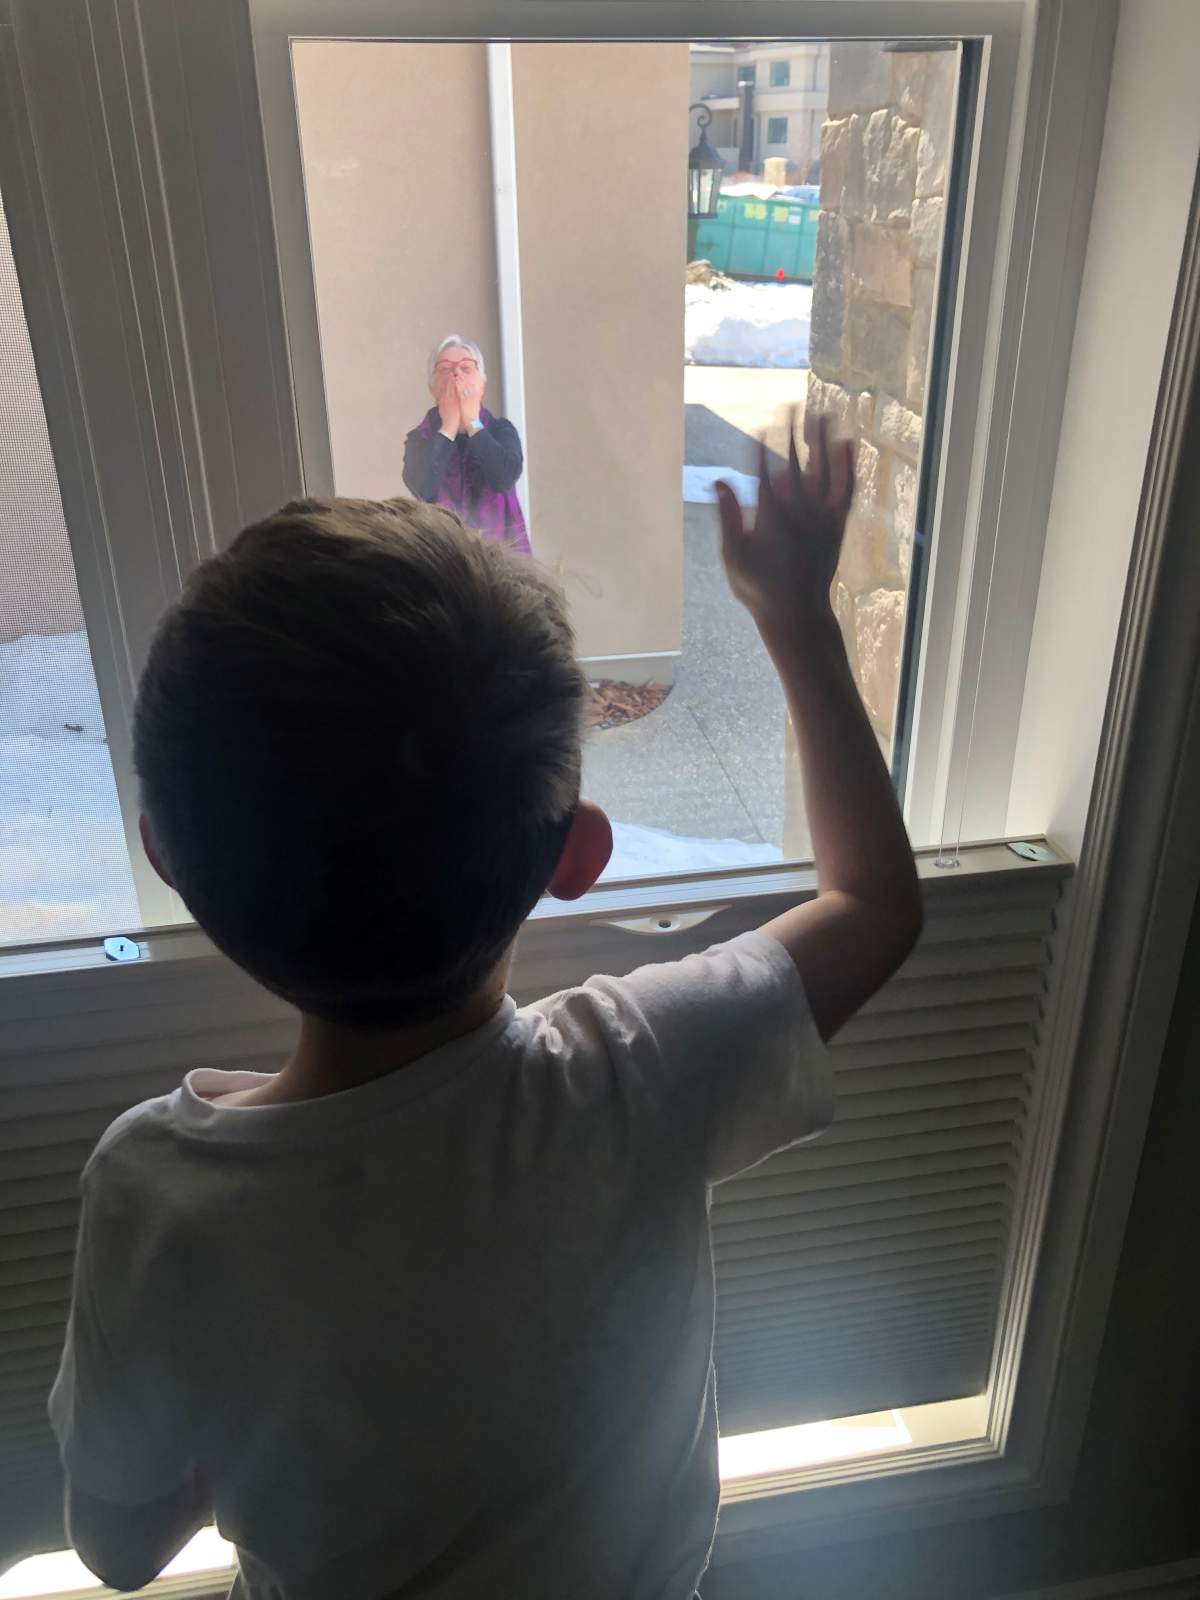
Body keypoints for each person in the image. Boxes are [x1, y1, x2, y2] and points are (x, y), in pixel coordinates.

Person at [49, 416, 922, 1600]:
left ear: (172, 860)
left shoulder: (160, 1193)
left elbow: (117, 1547)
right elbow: (872, 903)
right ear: (576, 855)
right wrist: (796, 617)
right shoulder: (639, 1069)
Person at [402, 335, 530, 553]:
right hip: (444, 560)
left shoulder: (501, 430)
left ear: (482, 384)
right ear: (432, 388)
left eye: (466, 367)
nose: (456, 374)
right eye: (445, 368)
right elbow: (421, 488)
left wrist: (473, 423)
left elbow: (504, 477)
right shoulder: (421, 438)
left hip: (503, 561)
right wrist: (448, 427)